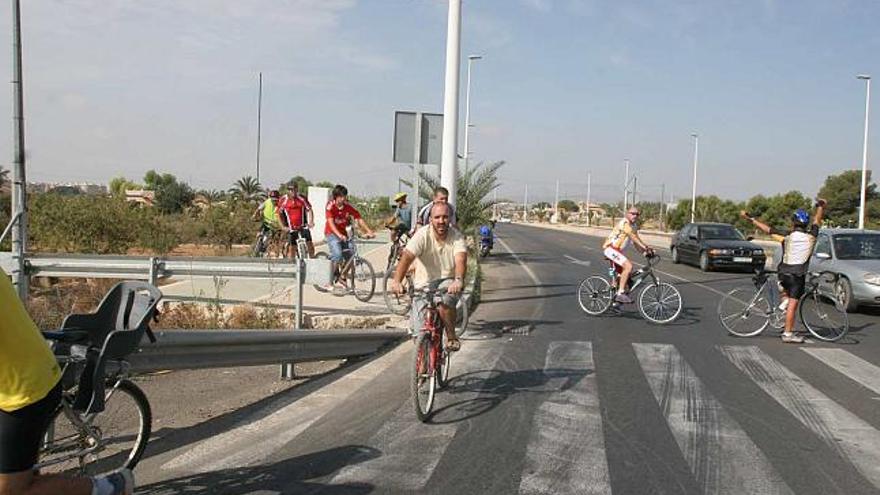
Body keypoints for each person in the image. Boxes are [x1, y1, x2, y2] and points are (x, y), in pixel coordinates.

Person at [0, 267, 134, 495]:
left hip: (24, 390)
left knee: (12, 490)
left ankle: (111, 487)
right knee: (20, 472)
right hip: (16, 378)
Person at [741, 199, 826, 343]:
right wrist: (820, 207)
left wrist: (750, 218)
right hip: (797, 275)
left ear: (793, 223)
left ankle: (782, 309)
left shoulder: (786, 237)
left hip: (782, 274)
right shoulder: (812, 236)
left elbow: (767, 229)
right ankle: (787, 334)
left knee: (785, 295)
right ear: (806, 225)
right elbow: (817, 220)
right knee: (793, 305)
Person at [391, 202, 467, 351]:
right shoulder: (422, 235)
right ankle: (422, 370)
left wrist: (458, 280)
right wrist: (396, 281)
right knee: (418, 332)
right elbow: (406, 257)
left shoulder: (456, 237)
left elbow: (461, 260)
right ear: (430, 219)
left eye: (445, 217)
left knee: (444, 303)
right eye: (437, 217)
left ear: (450, 219)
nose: (441, 221)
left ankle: (451, 336)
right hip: (423, 283)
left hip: (448, 281)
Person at [325, 185, 375, 286]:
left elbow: (358, 218)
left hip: (344, 234)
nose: (344, 198)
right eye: (341, 196)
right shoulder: (330, 206)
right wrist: (339, 235)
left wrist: (369, 231)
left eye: (345, 196)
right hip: (332, 233)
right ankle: (329, 281)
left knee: (351, 256)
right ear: (336, 196)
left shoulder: (347, 207)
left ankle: (342, 276)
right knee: (338, 255)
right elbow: (330, 222)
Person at [602, 207, 654, 304]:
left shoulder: (634, 226)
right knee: (628, 266)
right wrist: (645, 247)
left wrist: (645, 252)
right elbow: (632, 236)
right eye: (632, 213)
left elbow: (636, 242)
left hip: (617, 252)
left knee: (625, 277)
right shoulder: (624, 223)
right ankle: (620, 294)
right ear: (627, 213)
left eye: (637, 214)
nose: (635, 216)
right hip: (611, 249)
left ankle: (614, 301)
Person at [278, 181, 315, 259]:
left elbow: (309, 210)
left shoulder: (302, 198)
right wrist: (282, 226)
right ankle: (292, 264)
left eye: (295, 189)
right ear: (287, 190)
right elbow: (279, 214)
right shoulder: (283, 200)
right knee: (292, 248)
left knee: (310, 244)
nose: (293, 192)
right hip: (291, 228)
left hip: (303, 225)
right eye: (290, 190)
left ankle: (312, 261)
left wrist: (311, 222)